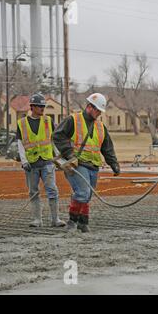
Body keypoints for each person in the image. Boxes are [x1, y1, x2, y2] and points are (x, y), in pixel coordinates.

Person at [53, 93, 120, 233]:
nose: (99, 114)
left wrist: (114, 164)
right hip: (77, 165)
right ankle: (72, 222)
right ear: (89, 107)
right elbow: (58, 135)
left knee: (87, 195)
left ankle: (83, 223)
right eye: (97, 110)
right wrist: (69, 154)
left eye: (100, 111)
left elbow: (107, 147)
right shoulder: (73, 120)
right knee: (83, 192)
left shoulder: (101, 127)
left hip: (93, 166)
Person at [17, 93, 65, 228]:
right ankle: (37, 220)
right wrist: (24, 161)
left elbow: (54, 141)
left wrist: (59, 158)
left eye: (43, 106)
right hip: (31, 164)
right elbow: (20, 144)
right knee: (33, 192)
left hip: (47, 163)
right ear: (32, 107)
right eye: (39, 106)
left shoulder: (48, 121)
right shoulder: (22, 123)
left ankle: (55, 219)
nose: (42, 108)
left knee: (52, 190)